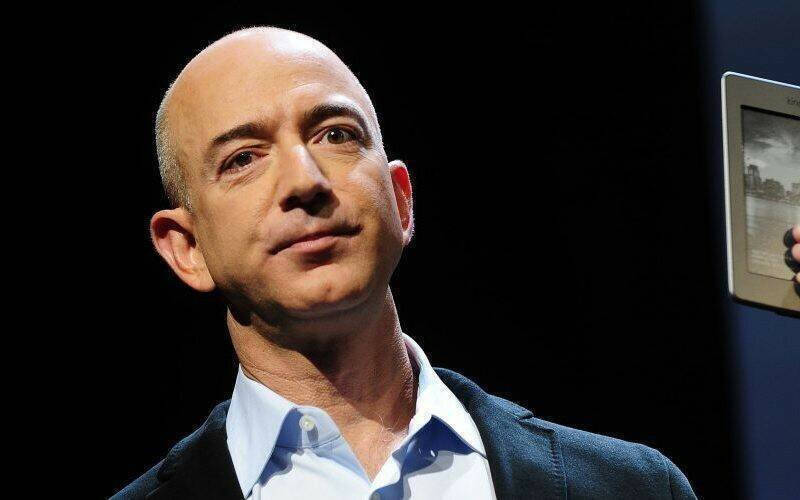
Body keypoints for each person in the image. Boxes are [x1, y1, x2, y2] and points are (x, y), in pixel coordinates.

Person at [112, 25, 776, 500]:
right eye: (243, 159)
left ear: (401, 201)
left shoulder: (630, 488)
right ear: (186, 248)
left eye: (336, 134)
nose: (305, 181)